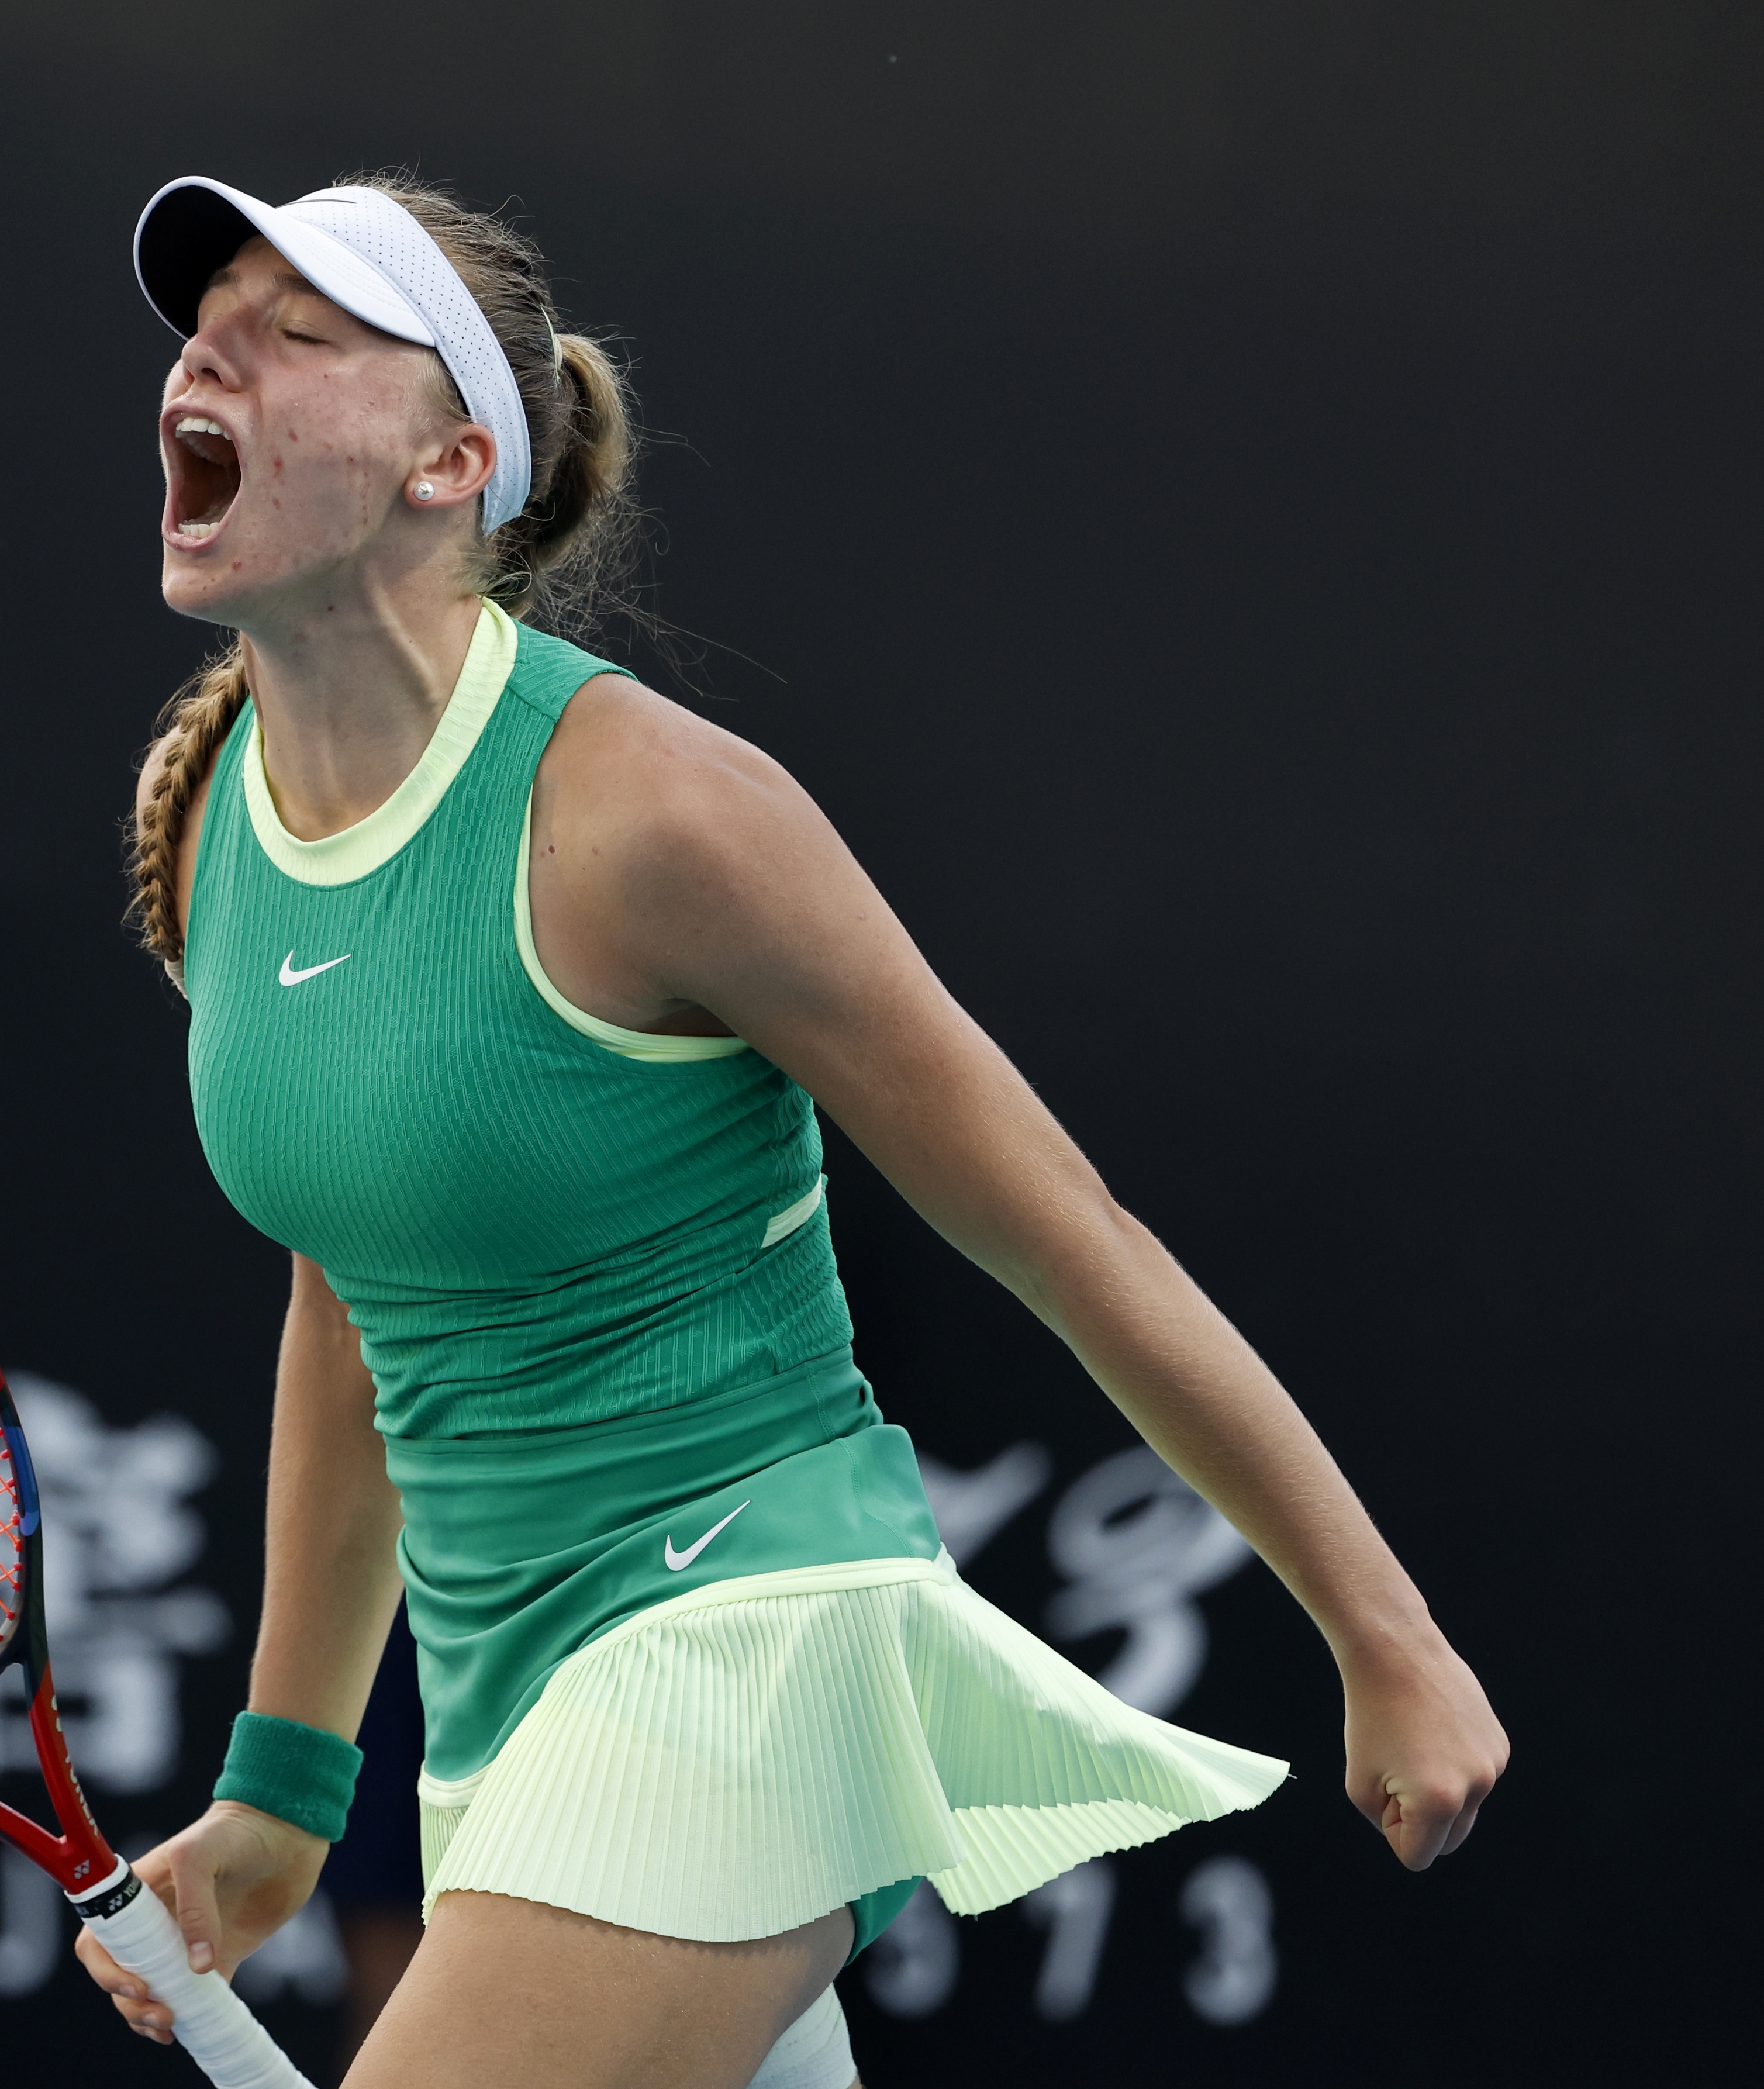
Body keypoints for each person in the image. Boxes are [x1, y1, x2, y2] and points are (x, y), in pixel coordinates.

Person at [77, 172, 1508, 2089]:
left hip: (743, 1645)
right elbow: (355, 1294)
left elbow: (1059, 1229)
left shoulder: (659, 816)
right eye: (208, 318)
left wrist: (1383, 1633)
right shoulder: (220, 822)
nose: (212, 349)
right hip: (509, 1730)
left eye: (301, 329)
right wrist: (285, 1787)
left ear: (449, 464)